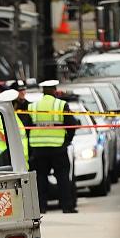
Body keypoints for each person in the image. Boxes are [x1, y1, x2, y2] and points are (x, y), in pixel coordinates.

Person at [27, 79, 78, 214]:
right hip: (58, 148)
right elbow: (71, 124)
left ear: (43, 91)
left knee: (40, 179)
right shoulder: (61, 105)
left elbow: (27, 128)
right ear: (54, 90)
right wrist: (67, 141)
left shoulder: (33, 107)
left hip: (38, 149)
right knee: (63, 178)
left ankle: (41, 208)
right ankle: (67, 206)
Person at [0, 88, 29, 170]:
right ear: (14, 104)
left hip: (5, 159)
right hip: (1, 160)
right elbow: (8, 137)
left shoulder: (5, 115)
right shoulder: (4, 116)